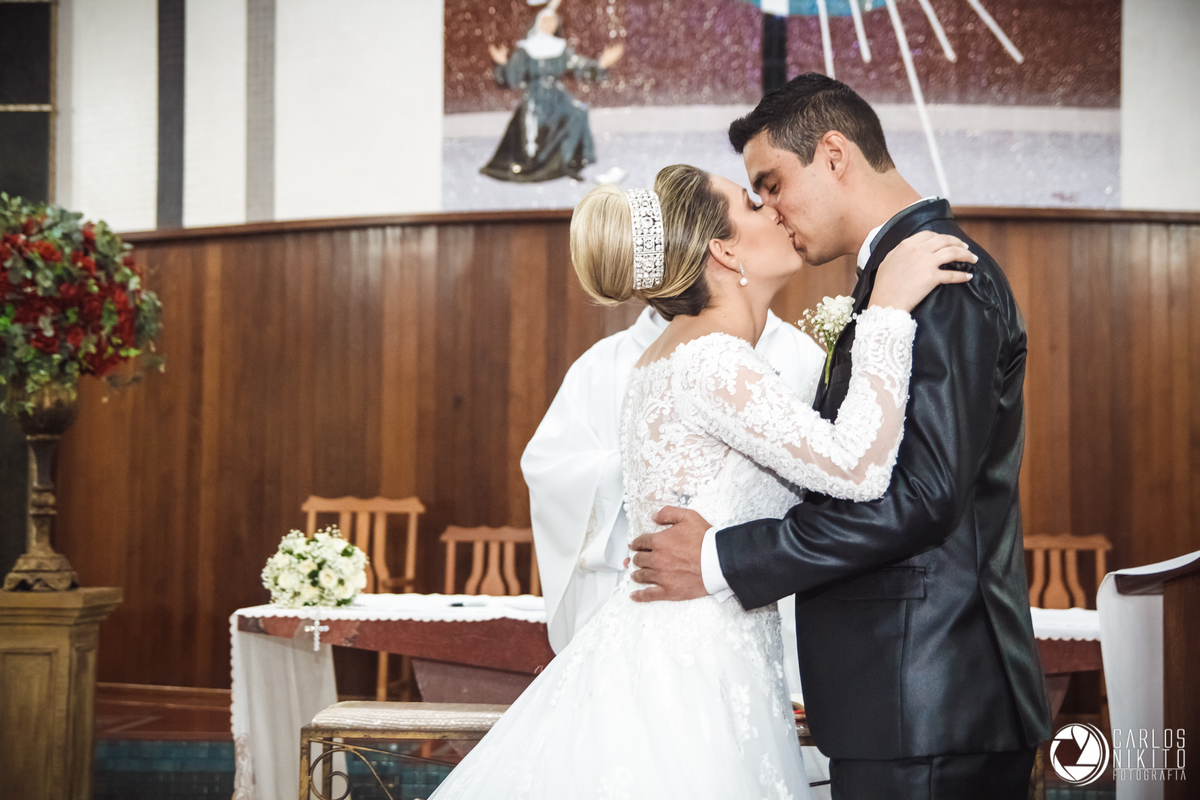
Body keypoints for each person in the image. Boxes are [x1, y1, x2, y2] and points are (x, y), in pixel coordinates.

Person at [428, 163, 973, 799]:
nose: (775, 209)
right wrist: (886, 313)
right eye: (753, 203)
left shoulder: (673, 355)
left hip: (692, 643)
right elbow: (857, 470)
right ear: (724, 250)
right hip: (693, 664)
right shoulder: (713, 361)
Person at [629, 75, 1052, 800]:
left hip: (930, 694)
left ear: (833, 155)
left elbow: (919, 499)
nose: (770, 209)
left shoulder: (939, 276)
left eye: (771, 184)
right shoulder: (893, 281)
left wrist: (722, 556)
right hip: (901, 698)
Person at [521, 304, 824, 657]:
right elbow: (549, 467)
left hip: (760, 595)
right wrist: (647, 471)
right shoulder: (603, 363)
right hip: (645, 597)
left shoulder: (799, 353)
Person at [482, 1, 624, 183]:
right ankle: (536, 166)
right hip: (535, 98)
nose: (550, 25)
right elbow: (513, 78)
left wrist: (601, 64)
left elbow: (577, 65)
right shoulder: (526, 49)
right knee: (534, 128)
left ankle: (570, 162)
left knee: (578, 113)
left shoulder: (560, 48)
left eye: (553, 21)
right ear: (538, 23)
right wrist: (502, 63)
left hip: (558, 96)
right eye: (546, 21)